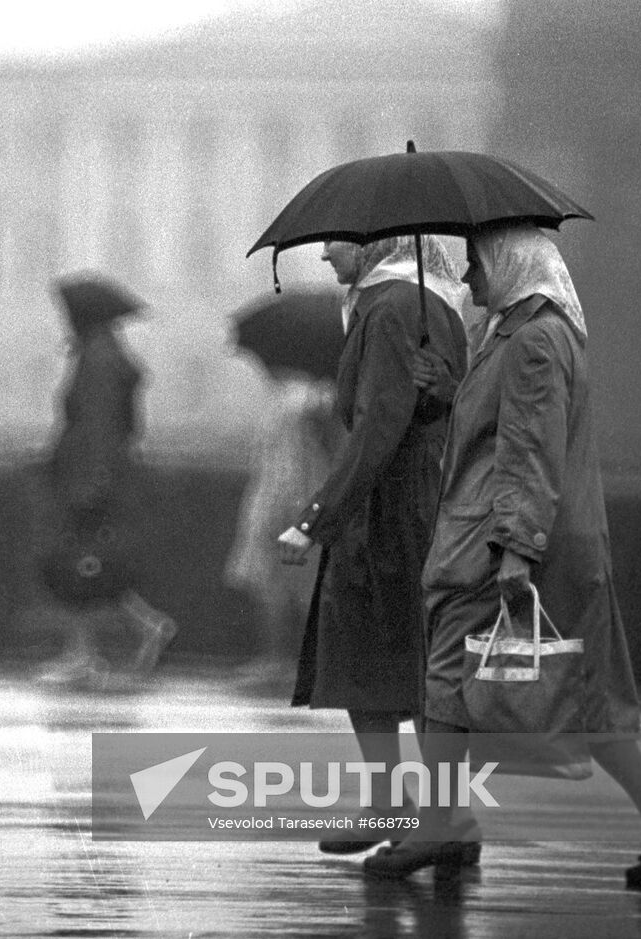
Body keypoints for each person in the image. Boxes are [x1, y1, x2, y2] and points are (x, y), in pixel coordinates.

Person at [364, 225, 641, 888]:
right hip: (557, 537)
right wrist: (446, 386)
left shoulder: (531, 342)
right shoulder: (522, 334)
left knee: (445, 674)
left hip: (503, 539)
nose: (468, 277)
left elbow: (528, 448)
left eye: (478, 262)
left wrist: (516, 550)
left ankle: (439, 825)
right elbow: (501, 425)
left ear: (512, 262)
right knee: (586, 693)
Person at [277, 235, 467, 852]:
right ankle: (445, 819)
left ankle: (394, 809)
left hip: (384, 508)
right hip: (419, 497)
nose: (327, 256)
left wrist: (315, 519)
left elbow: (377, 425)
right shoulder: (428, 302)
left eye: (335, 245)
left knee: (368, 656)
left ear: (371, 243)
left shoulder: (388, 308)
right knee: (417, 660)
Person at [31, 274, 176, 688]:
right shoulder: (106, 355)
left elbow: (95, 426)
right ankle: (147, 626)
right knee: (94, 562)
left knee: (76, 562)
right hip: (100, 473)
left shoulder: (96, 359)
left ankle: (83, 655)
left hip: (89, 476)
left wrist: (88, 484)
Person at [223, 297, 342, 694]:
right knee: (287, 587)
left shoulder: (303, 397)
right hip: (288, 496)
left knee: (282, 586)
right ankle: (294, 661)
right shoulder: (303, 394)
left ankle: (281, 661)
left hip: (286, 498)